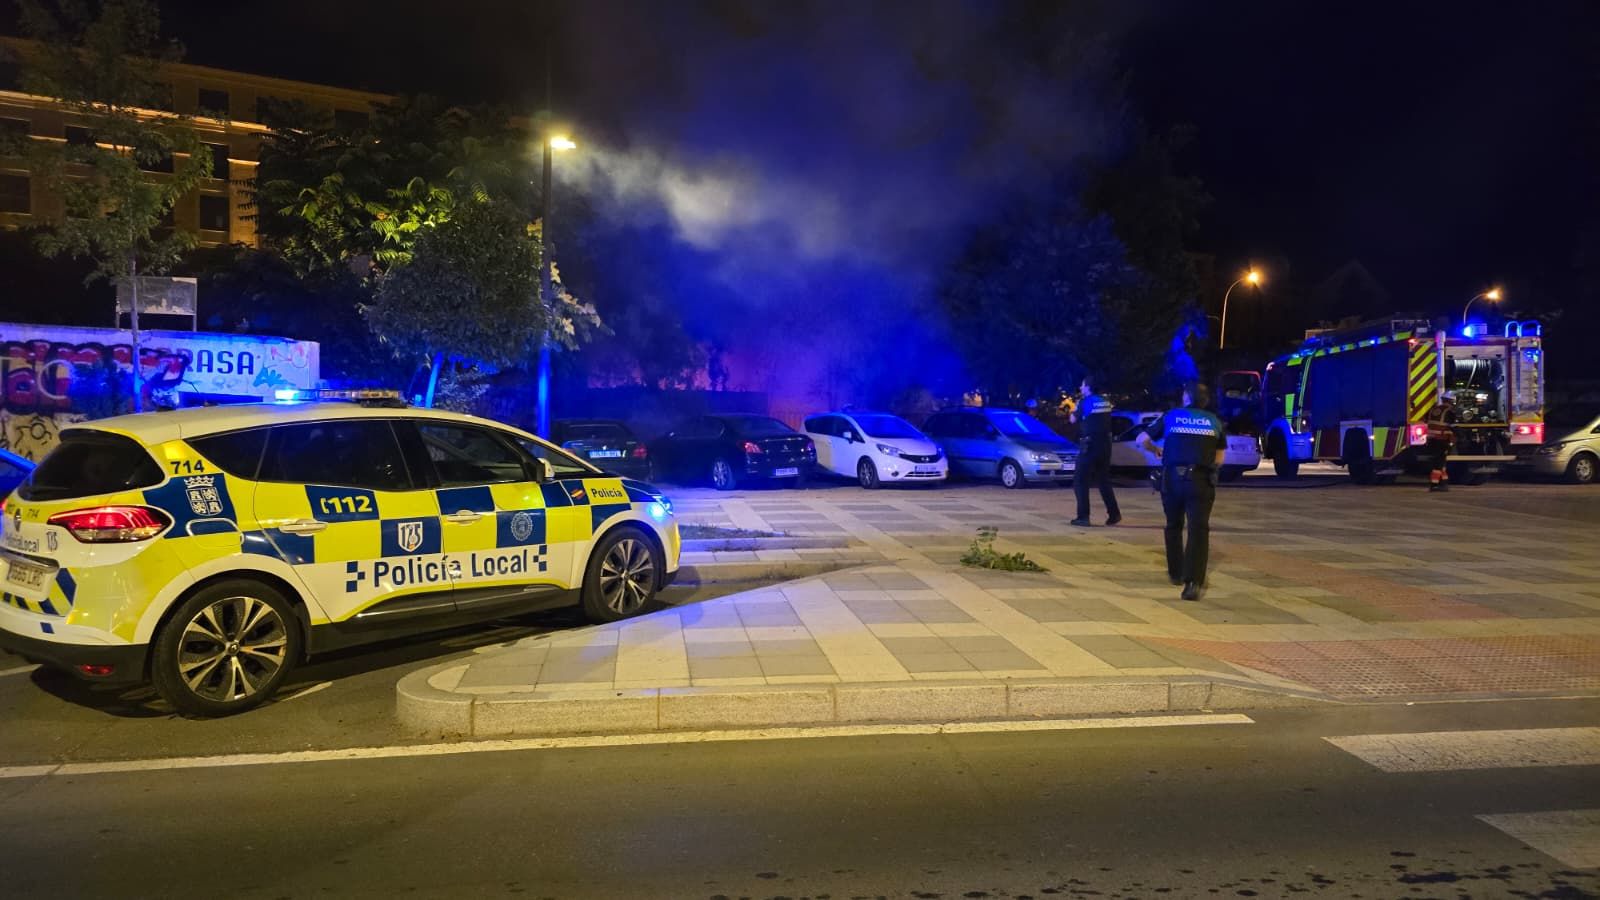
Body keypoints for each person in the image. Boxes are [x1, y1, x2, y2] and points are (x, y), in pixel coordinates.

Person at [1137, 382, 1225, 601]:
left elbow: (1142, 439)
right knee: (1198, 529)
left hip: (1172, 479)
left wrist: (1157, 449)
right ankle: (1193, 582)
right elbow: (1219, 458)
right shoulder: (1214, 421)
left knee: (1173, 525)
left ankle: (1175, 572)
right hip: (1200, 480)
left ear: (1186, 397)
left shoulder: (1172, 416)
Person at [1069, 376, 1120, 527]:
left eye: (1082, 385)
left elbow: (1072, 419)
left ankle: (1083, 517)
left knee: (1080, 480)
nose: (1081, 387)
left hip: (1089, 444)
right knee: (1103, 480)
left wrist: (1074, 407)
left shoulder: (1085, 402)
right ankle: (1114, 513)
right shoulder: (1106, 401)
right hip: (1105, 444)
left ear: (1088, 387)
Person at [1424, 391, 1458, 492]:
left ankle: (1444, 483)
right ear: (1451, 401)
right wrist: (1460, 436)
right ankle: (1434, 484)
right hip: (1442, 440)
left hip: (1431, 439)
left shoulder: (1434, 409)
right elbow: (1454, 427)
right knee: (1438, 464)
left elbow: (1427, 421)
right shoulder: (1450, 411)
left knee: (1441, 463)